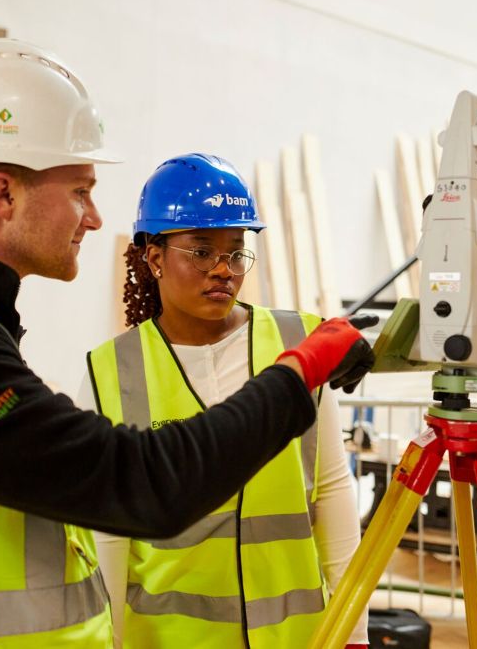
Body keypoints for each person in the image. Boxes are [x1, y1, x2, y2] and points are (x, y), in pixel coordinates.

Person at [0, 39, 375, 647]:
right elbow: (142, 484)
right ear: (4, 195)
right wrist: (298, 373)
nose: (96, 217)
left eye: (235, 252)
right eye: (80, 190)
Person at [81, 153, 370, 648]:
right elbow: (108, 535)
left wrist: (355, 631)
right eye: (200, 251)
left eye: (236, 252)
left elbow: (332, 490)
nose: (223, 270)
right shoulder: (112, 369)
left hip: (294, 637)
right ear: (154, 258)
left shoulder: (298, 342)